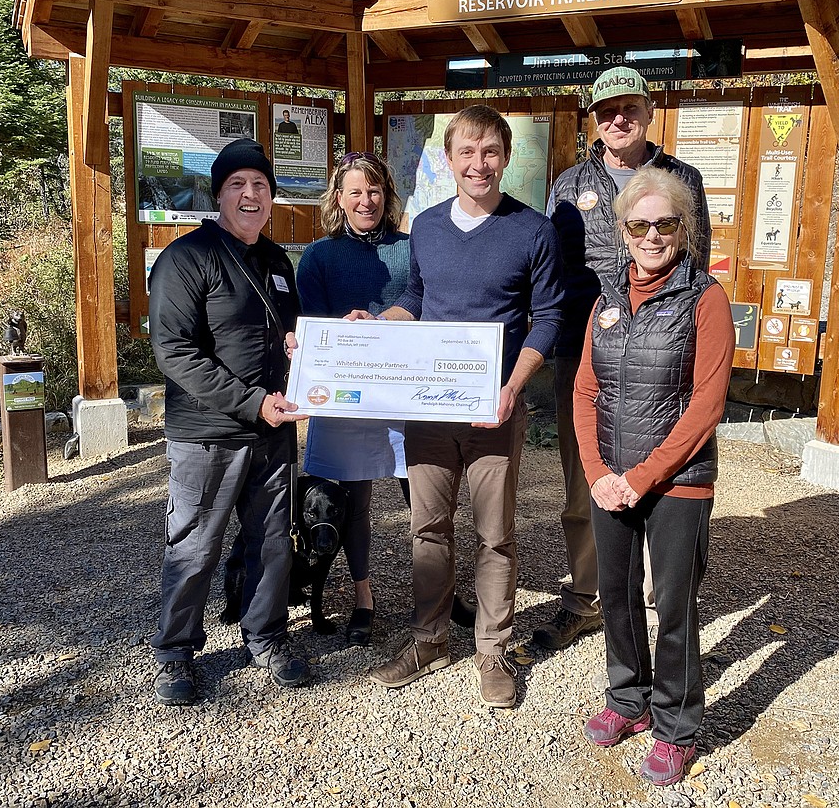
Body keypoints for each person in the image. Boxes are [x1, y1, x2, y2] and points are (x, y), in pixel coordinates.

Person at [353, 105, 563, 709]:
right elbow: (417, 298)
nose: (478, 164)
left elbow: (546, 319)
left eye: (490, 152)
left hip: (493, 407)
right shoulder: (427, 227)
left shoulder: (533, 231)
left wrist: (512, 389)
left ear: (506, 157)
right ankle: (429, 639)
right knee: (428, 528)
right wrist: (376, 323)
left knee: (495, 535)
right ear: (449, 160)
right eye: (466, 153)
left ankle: (493, 650)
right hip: (429, 407)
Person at [536, 66, 711, 651]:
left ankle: (667, 599)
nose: (618, 118)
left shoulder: (683, 178)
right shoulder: (568, 186)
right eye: (607, 108)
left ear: (648, 110)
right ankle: (591, 595)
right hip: (589, 352)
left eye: (629, 107)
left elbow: (698, 268)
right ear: (594, 116)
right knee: (582, 478)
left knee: (667, 467)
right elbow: (552, 276)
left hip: (665, 351)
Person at [573, 168, 734, 786]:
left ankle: (676, 726)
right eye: (637, 225)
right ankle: (628, 698)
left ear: (683, 227)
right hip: (609, 478)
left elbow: (707, 405)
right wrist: (597, 473)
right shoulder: (606, 299)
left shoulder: (705, 299)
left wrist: (641, 478)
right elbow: (585, 391)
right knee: (615, 597)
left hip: (677, 483)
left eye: (663, 223)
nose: (651, 236)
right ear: (622, 231)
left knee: (674, 607)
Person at [147, 138, 309, 705]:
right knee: (194, 545)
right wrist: (251, 402)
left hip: (272, 431)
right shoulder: (185, 259)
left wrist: (301, 351)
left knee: (270, 543)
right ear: (218, 194)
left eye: (260, 186)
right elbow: (173, 352)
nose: (250, 195)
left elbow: (288, 333)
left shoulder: (276, 260)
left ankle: (265, 637)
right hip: (207, 434)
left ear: (271, 197)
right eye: (237, 185)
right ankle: (175, 654)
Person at [295, 151, 410, 647]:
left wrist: (380, 323)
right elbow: (307, 321)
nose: (367, 201)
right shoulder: (319, 256)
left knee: (425, 499)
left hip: (406, 390)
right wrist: (338, 332)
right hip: (347, 394)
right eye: (356, 192)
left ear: (387, 195)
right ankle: (364, 597)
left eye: (375, 191)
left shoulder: (412, 248)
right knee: (354, 502)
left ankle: (440, 595)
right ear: (338, 199)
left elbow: (423, 302)